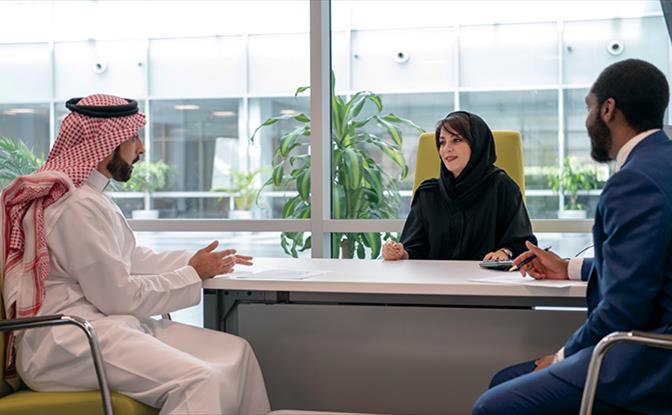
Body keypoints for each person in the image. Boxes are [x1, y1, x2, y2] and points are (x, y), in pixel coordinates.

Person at [1, 94, 270, 414]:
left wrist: (197, 262)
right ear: (104, 144)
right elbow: (119, 297)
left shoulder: (90, 196)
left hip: (105, 325)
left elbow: (129, 259)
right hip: (68, 343)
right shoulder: (76, 206)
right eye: (132, 138)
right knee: (199, 380)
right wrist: (192, 273)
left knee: (236, 351)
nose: (140, 149)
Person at [473, 59, 672, 415]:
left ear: (608, 109)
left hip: (645, 365)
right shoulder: (663, 164)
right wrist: (569, 267)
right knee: (506, 380)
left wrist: (562, 356)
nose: (587, 120)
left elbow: (624, 306)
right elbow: (652, 266)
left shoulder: (635, 181)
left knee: (492, 405)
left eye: (589, 107)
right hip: (654, 348)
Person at [382, 111, 536, 262]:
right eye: (442, 142)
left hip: (488, 282)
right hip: (437, 283)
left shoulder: (501, 186)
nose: (447, 148)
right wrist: (400, 253)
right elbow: (415, 249)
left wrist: (504, 252)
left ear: (477, 143)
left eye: (456, 140)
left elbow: (522, 243)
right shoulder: (428, 193)